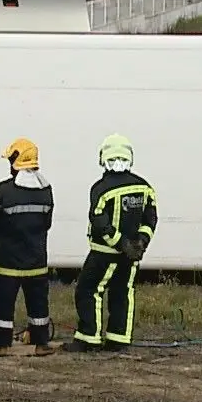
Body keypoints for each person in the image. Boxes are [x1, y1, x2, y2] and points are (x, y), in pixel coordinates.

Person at [70, 133, 158, 353]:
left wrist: (120, 243)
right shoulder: (144, 187)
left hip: (103, 253)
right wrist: (140, 242)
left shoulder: (101, 189)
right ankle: (119, 339)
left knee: (88, 291)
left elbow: (100, 222)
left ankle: (88, 338)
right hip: (131, 256)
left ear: (103, 158)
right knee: (123, 292)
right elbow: (150, 219)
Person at [0, 137, 55, 354]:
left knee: (3, 306)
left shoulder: (4, 190)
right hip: (37, 260)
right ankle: (41, 343)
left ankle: (1, 344)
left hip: (7, 261)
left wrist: (5, 239)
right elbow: (47, 223)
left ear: (15, 161)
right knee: (38, 304)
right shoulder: (46, 190)